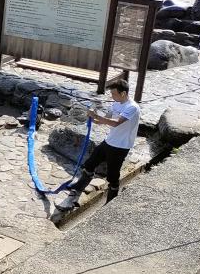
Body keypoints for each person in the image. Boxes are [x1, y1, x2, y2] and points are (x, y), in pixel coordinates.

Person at [57, 79, 139, 209]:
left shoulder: (132, 107)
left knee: (112, 175)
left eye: (114, 93)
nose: (112, 96)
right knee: (90, 164)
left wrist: (98, 117)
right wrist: (93, 117)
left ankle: (110, 202)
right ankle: (79, 187)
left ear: (123, 93)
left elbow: (116, 122)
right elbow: (105, 119)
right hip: (109, 141)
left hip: (121, 146)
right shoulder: (116, 104)